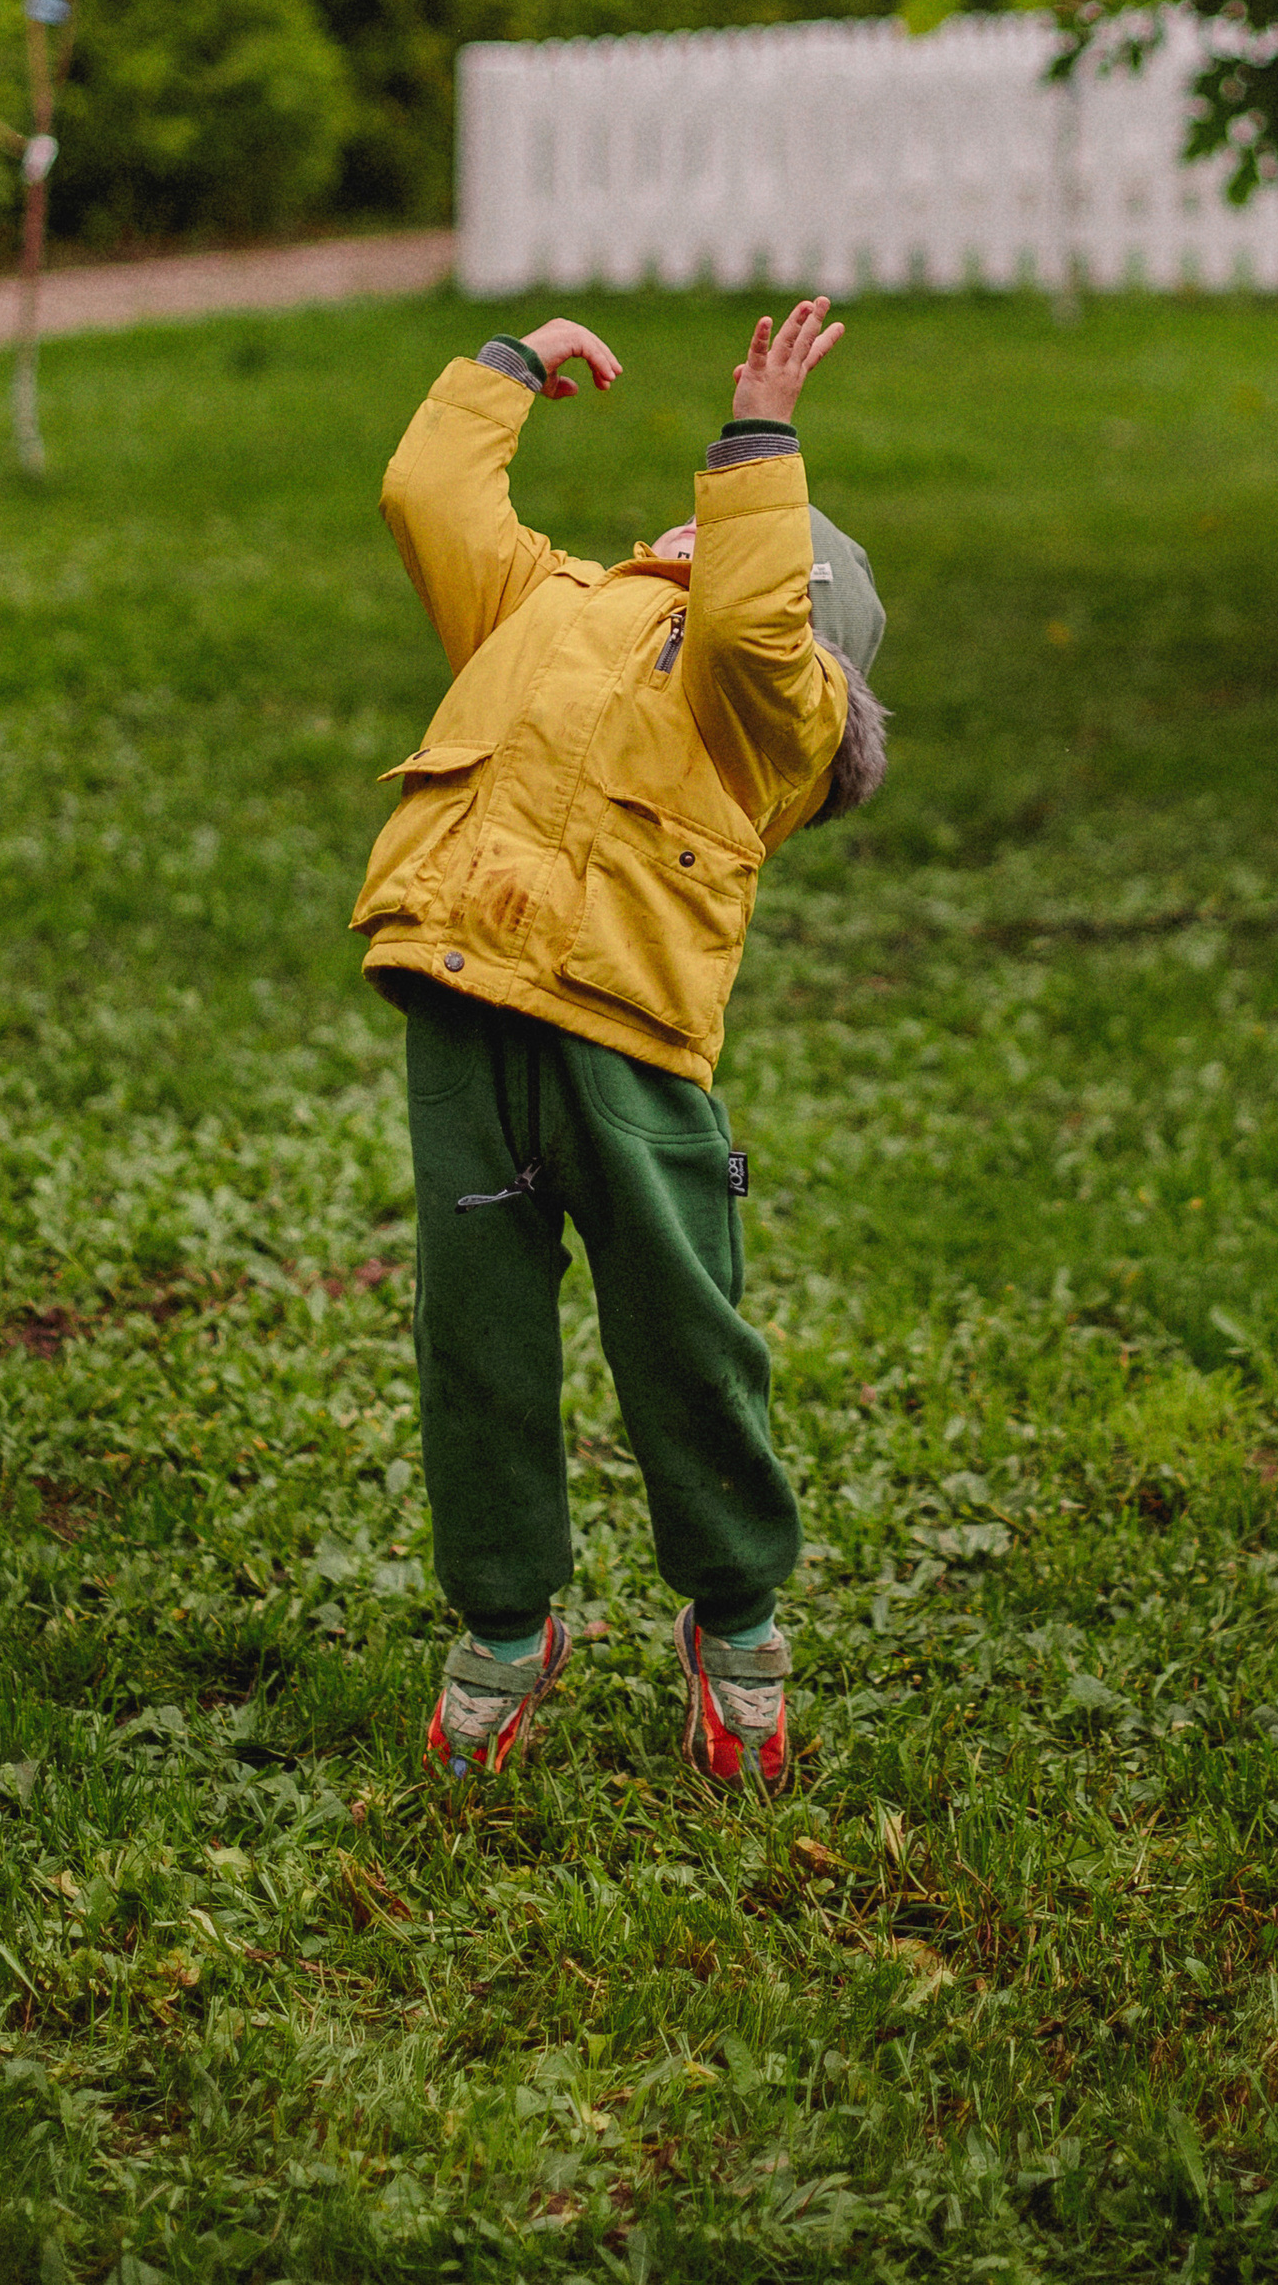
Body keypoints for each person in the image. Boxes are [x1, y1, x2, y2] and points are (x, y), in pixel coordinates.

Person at [351, 296, 885, 1790]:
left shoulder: (768, 711)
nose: (706, 524)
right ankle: (506, 1630)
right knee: (479, 1347)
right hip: (466, 1014)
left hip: (629, 1051)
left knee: (683, 1344)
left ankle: (738, 1626)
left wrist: (764, 441)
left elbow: (754, 623)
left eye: (772, 539)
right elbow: (429, 495)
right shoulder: (549, 599)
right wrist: (508, 368)